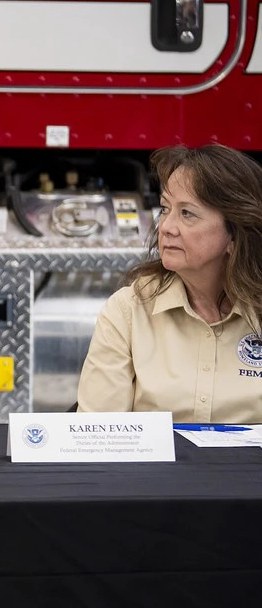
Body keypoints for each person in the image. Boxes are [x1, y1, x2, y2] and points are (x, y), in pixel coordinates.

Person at [77, 143, 262, 422]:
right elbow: (97, 435)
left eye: (187, 213)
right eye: (165, 209)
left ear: (235, 234)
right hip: (150, 468)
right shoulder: (129, 311)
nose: (165, 227)